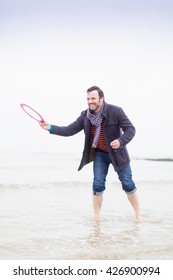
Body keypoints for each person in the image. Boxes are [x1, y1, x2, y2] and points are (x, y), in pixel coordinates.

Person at [39, 86, 141, 222]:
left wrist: (120, 141)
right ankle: (97, 218)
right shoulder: (85, 116)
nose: (90, 101)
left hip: (118, 154)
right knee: (98, 184)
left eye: (93, 98)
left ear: (101, 99)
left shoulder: (115, 111)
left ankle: (138, 215)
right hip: (99, 154)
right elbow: (70, 130)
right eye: (88, 99)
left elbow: (130, 129)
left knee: (127, 183)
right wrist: (50, 127)